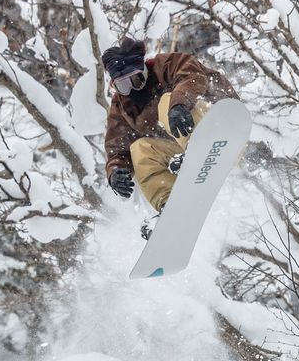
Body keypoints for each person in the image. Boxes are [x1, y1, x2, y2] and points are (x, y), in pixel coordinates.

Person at [102, 37, 238, 238]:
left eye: (136, 80)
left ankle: (198, 150)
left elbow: (192, 76)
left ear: (144, 70)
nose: (131, 90)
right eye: (123, 86)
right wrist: (116, 173)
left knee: (167, 101)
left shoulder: (165, 65)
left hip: (220, 130)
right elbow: (117, 148)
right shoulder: (122, 106)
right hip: (183, 155)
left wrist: (180, 104)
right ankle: (170, 207)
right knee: (139, 148)